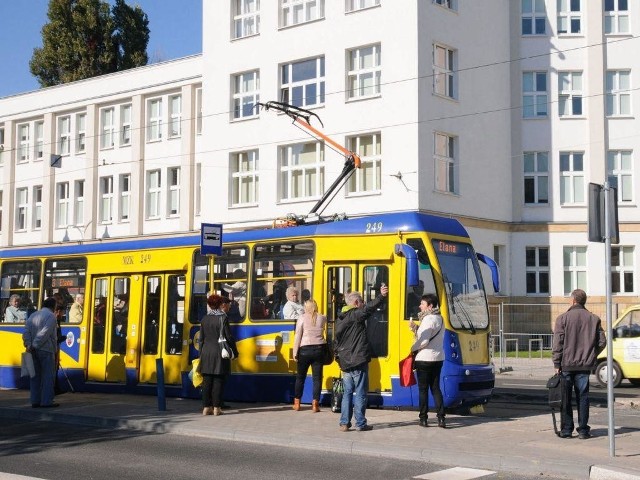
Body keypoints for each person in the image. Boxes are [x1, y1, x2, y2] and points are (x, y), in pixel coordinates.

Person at [552, 288, 606, 440]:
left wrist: (557, 363)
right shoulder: (593, 318)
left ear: (573, 300)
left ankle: (567, 430)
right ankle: (583, 430)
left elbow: (558, 344)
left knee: (566, 397)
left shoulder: (562, 319)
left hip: (566, 365)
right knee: (583, 397)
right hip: (584, 366)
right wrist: (592, 355)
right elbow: (602, 342)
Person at [335, 283, 388, 432]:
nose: (363, 304)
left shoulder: (340, 317)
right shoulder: (355, 315)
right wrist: (381, 296)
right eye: (362, 302)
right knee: (360, 392)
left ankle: (344, 423)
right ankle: (360, 423)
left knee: (347, 393)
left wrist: (339, 359)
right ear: (356, 303)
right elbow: (369, 308)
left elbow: (336, 342)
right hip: (358, 360)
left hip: (345, 362)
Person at [410, 293, 446, 428]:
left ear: (430, 306)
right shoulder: (440, 319)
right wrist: (415, 329)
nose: (420, 306)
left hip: (424, 359)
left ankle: (423, 418)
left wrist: (412, 348)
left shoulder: (427, 319)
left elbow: (423, 341)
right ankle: (441, 418)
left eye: (422, 304)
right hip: (438, 358)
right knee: (436, 388)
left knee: (423, 389)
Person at [198, 294, 237, 416]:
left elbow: (201, 339)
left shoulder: (204, 318)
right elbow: (228, 336)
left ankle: (206, 407)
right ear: (220, 304)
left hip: (206, 352)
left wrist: (201, 354)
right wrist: (234, 351)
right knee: (218, 381)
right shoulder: (222, 318)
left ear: (209, 305)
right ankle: (216, 408)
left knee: (207, 381)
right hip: (219, 352)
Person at [22, 297, 59, 408]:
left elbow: (26, 332)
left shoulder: (33, 315)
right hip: (46, 350)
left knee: (35, 376)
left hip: (32, 350)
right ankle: (46, 401)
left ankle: (35, 401)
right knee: (48, 376)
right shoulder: (51, 316)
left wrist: (29, 345)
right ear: (53, 307)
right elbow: (45, 332)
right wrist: (35, 345)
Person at [292, 299, 327, 413]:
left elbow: (298, 335)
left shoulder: (301, 318)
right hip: (319, 350)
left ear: (306, 307)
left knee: (300, 377)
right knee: (317, 379)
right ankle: (315, 405)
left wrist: (295, 352)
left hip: (304, 350)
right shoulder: (322, 317)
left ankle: (297, 403)